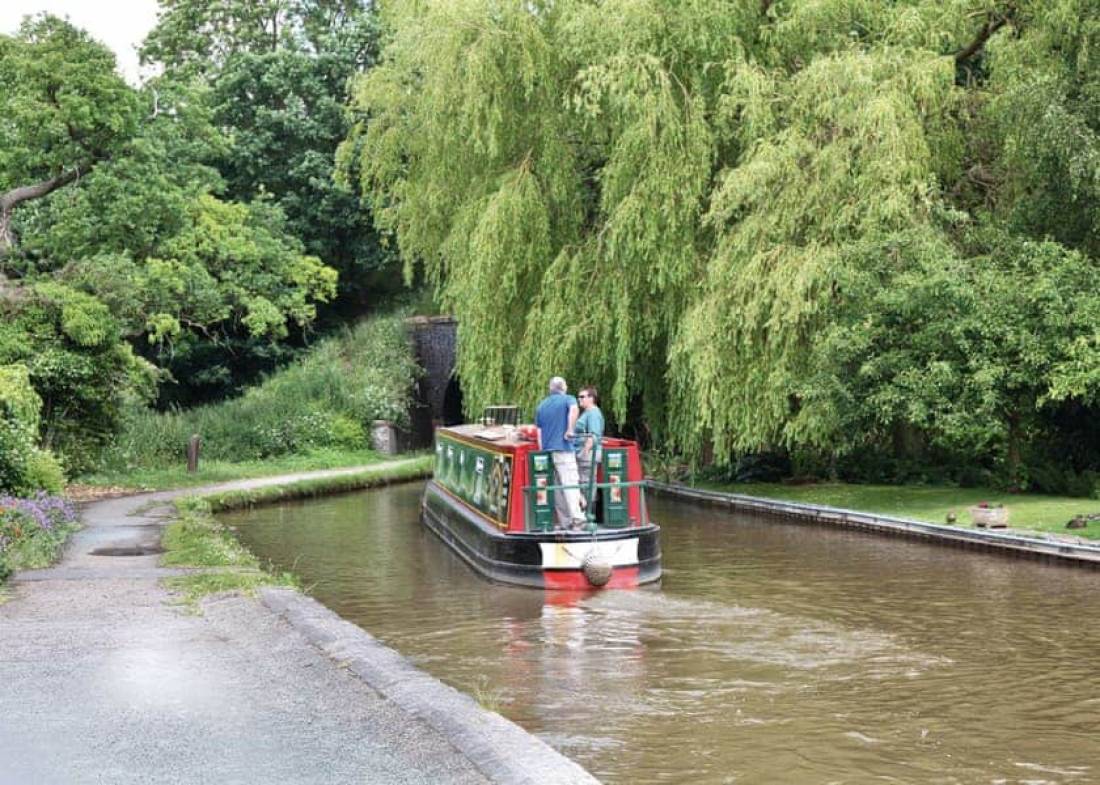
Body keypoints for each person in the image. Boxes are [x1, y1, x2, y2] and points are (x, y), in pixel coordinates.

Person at [535, 376, 585, 530]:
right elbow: (574, 410)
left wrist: (542, 451)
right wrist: (570, 429)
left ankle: (565, 522)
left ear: (551, 389)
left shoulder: (542, 406)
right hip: (563, 449)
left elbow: (539, 431)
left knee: (557, 487)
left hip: (548, 451)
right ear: (564, 388)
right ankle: (578, 520)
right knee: (570, 483)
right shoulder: (568, 399)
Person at [574, 386, 604, 510]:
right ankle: (586, 511)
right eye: (578, 397)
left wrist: (585, 451)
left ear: (591, 398)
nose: (579, 399)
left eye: (582, 397)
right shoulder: (587, 413)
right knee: (583, 482)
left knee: (587, 482)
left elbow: (594, 434)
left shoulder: (593, 413)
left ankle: (589, 513)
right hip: (584, 454)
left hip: (588, 454)